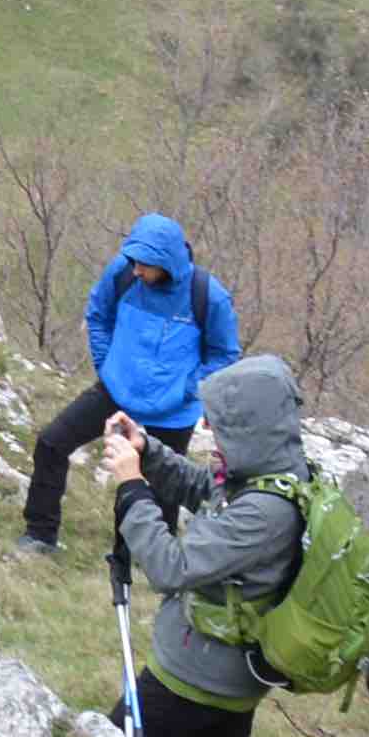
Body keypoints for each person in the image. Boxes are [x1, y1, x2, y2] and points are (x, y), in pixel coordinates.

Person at [105, 355, 316, 737]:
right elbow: (208, 492)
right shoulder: (282, 477)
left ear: (250, 427)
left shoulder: (267, 511)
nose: (208, 432)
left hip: (195, 677)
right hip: (230, 678)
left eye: (220, 425)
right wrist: (149, 452)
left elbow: (171, 565)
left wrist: (132, 489)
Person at [27, 213, 243, 556]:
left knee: (161, 489)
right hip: (115, 392)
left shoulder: (207, 297)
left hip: (171, 413)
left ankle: (145, 564)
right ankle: (40, 535)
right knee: (52, 443)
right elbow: (98, 314)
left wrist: (187, 390)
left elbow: (225, 355)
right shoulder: (124, 274)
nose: (137, 271)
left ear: (167, 264)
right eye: (134, 263)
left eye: (145, 265)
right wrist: (106, 364)